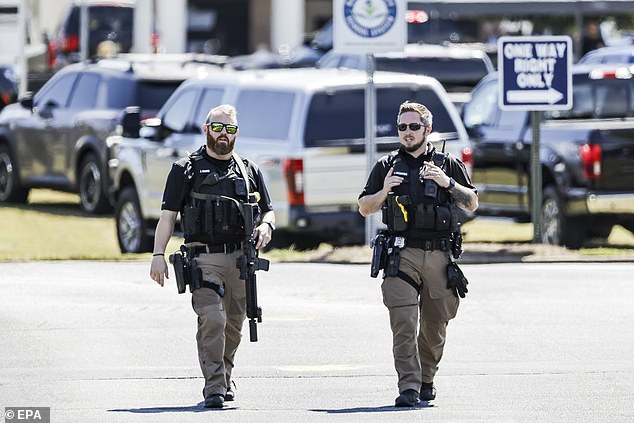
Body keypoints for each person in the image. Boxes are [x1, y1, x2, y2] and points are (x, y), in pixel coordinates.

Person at [149, 104, 275, 408]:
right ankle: (215, 386)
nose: (223, 134)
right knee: (213, 319)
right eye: (217, 127)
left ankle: (225, 375)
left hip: (240, 261)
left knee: (233, 323)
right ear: (206, 129)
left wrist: (267, 226)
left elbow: (269, 209)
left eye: (229, 129)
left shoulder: (248, 169)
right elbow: (167, 217)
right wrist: (157, 254)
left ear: (237, 133)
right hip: (203, 258)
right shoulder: (186, 169)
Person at [358, 101, 478, 407]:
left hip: (439, 255)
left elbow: (471, 203)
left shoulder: (448, 165)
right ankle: (408, 386)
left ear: (427, 129)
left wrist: (447, 183)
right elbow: (364, 207)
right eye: (402, 127)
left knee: (435, 325)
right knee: (404, 321)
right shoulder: (386, 166)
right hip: (401, 255)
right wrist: (384, 190)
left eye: (414, 127)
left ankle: (427, 378)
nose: (407, 133)